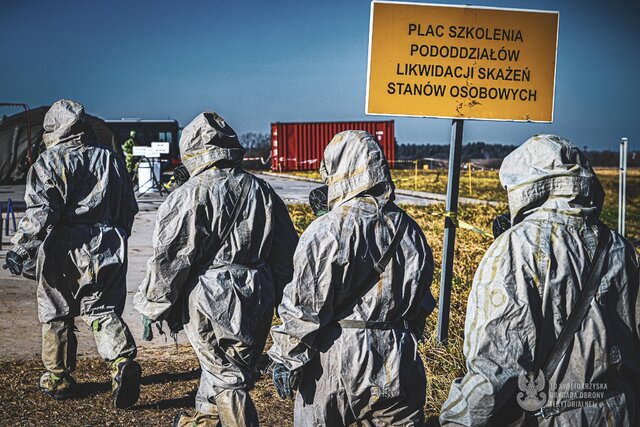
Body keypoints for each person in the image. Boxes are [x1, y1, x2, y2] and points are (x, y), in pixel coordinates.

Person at [440, 135, 640, 425]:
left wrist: (457, 420)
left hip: (551, 416)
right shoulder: (620, 248)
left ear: (524, 186)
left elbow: (496, 363)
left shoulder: (514, 248)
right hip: (619, 412)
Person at [134, 111, 298, 427]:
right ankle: (206, 419)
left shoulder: (190, 193)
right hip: (257, 288)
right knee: (232, 367)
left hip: (209, 293)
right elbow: (285, 252)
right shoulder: (261, 189)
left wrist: (153, 303)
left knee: (225, 375)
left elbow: (172, 256)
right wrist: (281, 298)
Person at [268, 130, 436, 426]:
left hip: (340, 352)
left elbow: (305, 304)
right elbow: (422, 302)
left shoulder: (329, 228)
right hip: (399, 353)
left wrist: (286, 356)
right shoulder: (411, 231)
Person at [3, 99, 141, 408]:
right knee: (103, 309)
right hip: (107, 240)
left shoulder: (48, 161)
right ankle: (121, 362)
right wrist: (118, 234)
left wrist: (21, 247)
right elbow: (128, 206)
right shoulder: (111, 159)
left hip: (62, 243)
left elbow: (41, 211)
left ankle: (58, 377)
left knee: (57, 311)